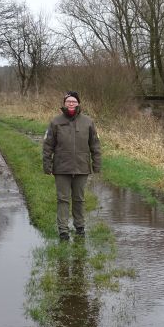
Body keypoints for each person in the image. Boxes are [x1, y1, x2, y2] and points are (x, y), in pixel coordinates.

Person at [42, 91, 101, 240]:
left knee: (79, 199)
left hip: (82, 168)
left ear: (78, 103)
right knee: (63, 199)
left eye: (74, 101)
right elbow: (48, 145)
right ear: (64, 103)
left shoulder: (88, 122)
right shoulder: (55, 122)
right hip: (61, 168)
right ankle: (63, 230)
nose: (71, 103)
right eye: (68, 101)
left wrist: (97, 165)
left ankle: (80, 227)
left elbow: (95, 145)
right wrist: (47, 165)